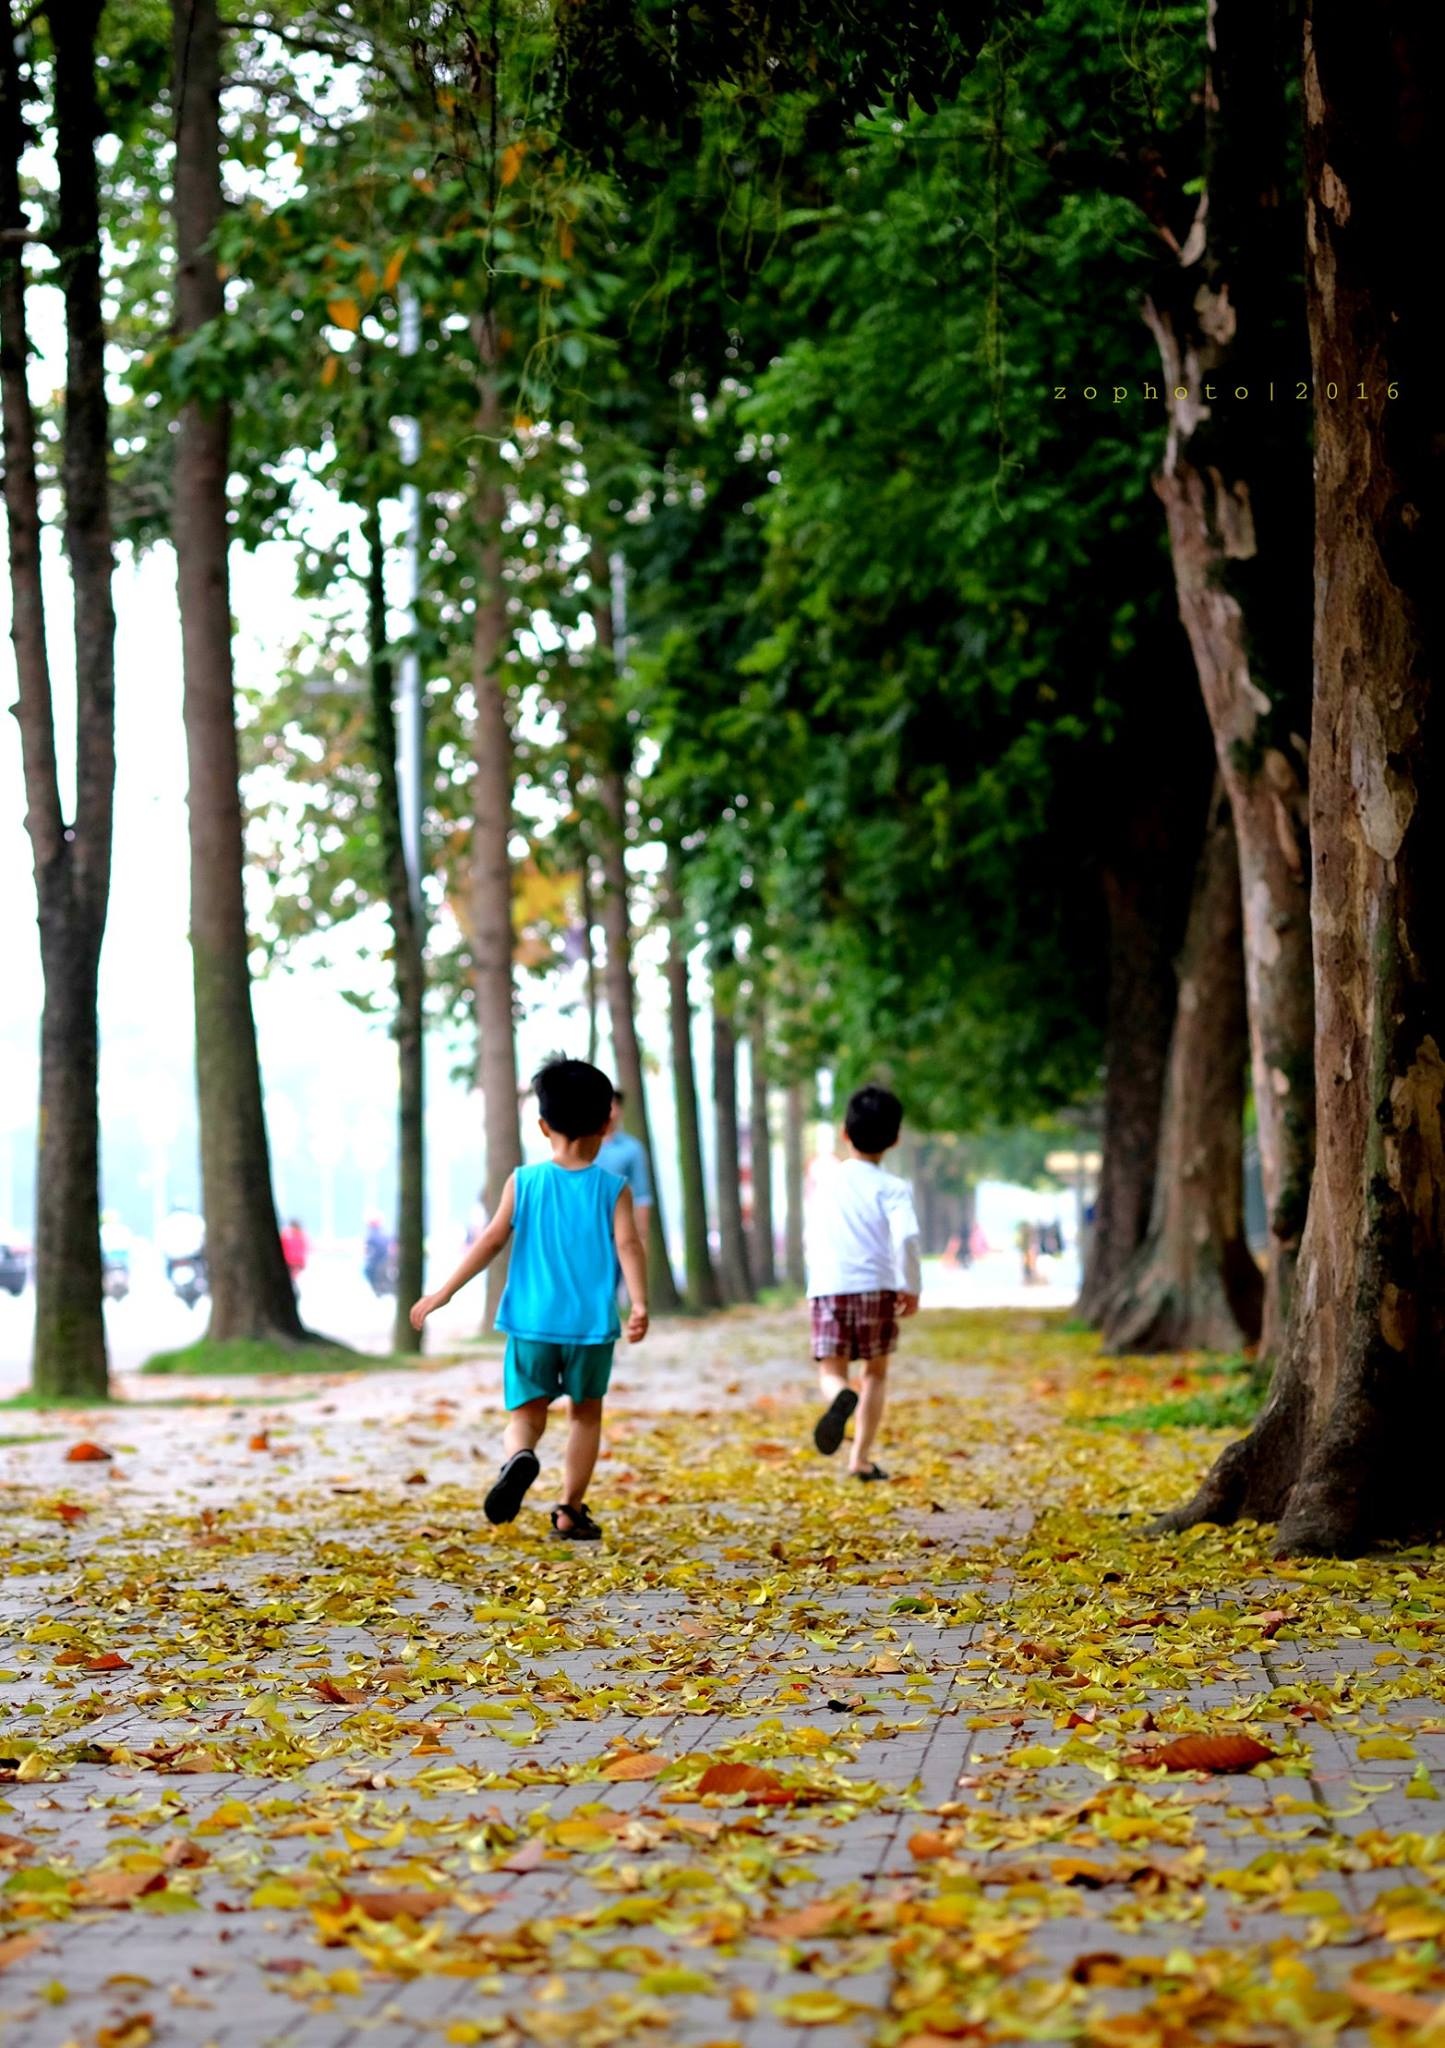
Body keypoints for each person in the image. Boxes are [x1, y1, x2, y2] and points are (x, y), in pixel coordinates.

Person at [410, 1057, 648, 1541]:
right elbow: (628, 1245)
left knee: (526, 1414)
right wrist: (640, 1304)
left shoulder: (524, 1181)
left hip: (531, 1322)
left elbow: (491, 1240)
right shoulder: (613, 1189)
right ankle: (569, 1510)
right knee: (585, 1415)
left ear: (543, 1126)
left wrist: (444, 1292)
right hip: (590, 1326)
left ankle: (519, 1455)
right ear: (606, 1124)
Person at [804, 1084, 921, 1482]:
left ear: (844, 1133)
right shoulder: (893, 1187)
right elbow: (906, 1237)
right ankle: (860, 1459)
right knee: (875, 1372)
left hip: (829, 1285)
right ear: (895, 1139)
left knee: (831, 1370)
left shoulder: (827, 1181)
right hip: (876, 1287)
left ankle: (840, 1395)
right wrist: (911, 1286)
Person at [596, 1090, 653, 1240]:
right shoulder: (580, 1146)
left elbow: (642, 1196)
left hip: (620, 1230)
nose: (610, 1110)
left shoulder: (632, 1148)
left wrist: (642, 1237)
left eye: (614, 1105)